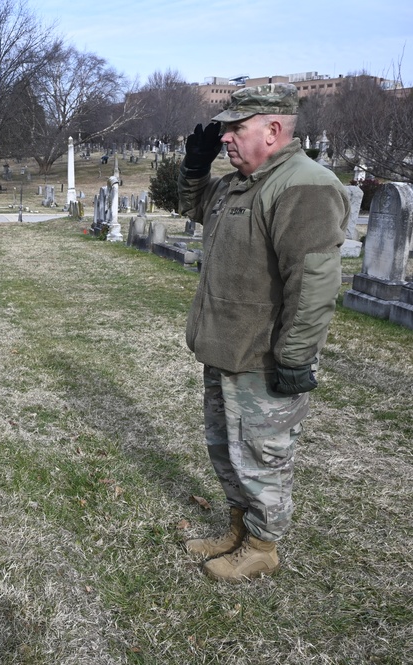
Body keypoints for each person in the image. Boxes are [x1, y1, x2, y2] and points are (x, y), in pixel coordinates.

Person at [178, 83, 349, 582]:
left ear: (273, 130)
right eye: (226, 129)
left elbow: (314, 282)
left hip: (265, 355)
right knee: (226, 449)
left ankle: (262, 547)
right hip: (226, 345)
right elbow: (195, 208)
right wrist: (194, 168)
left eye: (236, 129)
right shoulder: (239, 182)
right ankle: (237, 528)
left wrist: (294, 358)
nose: (227, 138)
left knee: (262, 456)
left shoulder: (303, 185)